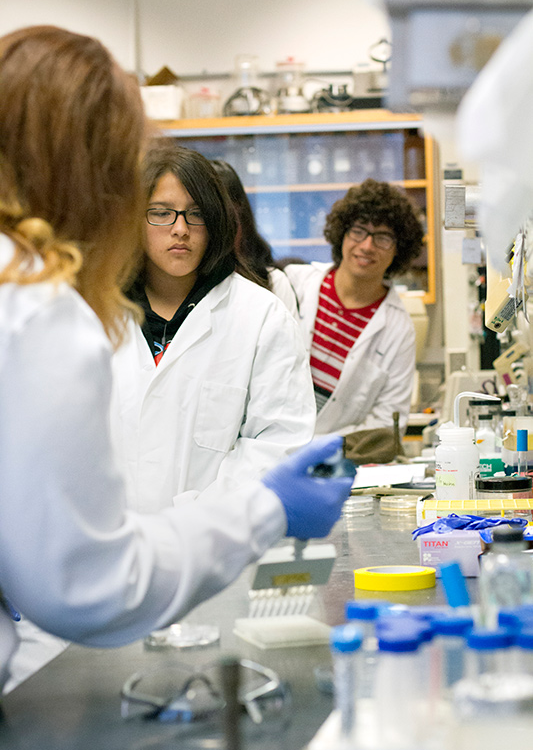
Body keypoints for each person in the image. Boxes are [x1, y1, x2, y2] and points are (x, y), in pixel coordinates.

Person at [0, 25, 353, 689]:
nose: (166, 224)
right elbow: (88, 588)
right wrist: (267, 510)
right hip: (96, 608)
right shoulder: (36, 307)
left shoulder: (250, 312)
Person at [110, 141, 315, 514]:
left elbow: (278, 445)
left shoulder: (260, 316)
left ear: (217, 221)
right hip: (112, 545)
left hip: (215, 546)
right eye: (160, 213)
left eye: (196, 214)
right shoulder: (99, 314)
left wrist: (194, 523)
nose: (180, 229)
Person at [285, 179, 424, 435]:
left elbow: (386, 423)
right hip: (268, 447)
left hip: (334, 461)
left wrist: (323, 450)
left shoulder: (399, 330)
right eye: (359, 231)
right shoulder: (293, 284)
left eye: (382, 238)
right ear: (342, 234)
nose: (367, 246)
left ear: (399, 249)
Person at [209, 158, 299, 318]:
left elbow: (292, 340)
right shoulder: (184, 286)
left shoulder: (273, 282)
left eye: (228, 221)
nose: (220, 235)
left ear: (242, 220)